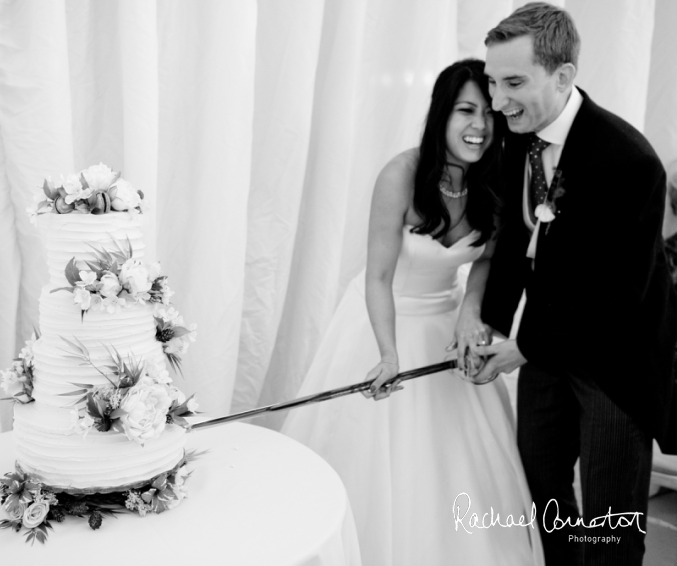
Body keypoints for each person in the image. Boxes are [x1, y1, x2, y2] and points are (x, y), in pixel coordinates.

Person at [282, 59, 544, 565]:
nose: (480, 125)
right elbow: (377, 277)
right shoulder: (399, 175)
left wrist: (472, 309)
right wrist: (387, 353)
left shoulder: (496, 181)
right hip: (384, 321)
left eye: (488, 113)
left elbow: (489, 257)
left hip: (446, 325)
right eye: (466, 110)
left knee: (459, 469)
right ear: (441, 113)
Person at [470, 4, 677, 565]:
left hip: (618, 359)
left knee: (609, 520)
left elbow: (617, 299)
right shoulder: (520, 134)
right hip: (545, 344)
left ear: (562, 76)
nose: (496, 102)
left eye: (513, 82)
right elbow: (516, 237)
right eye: (492, 82)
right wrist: (489, 320)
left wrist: (523, 348)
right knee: (542, 493)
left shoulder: (630, 161)